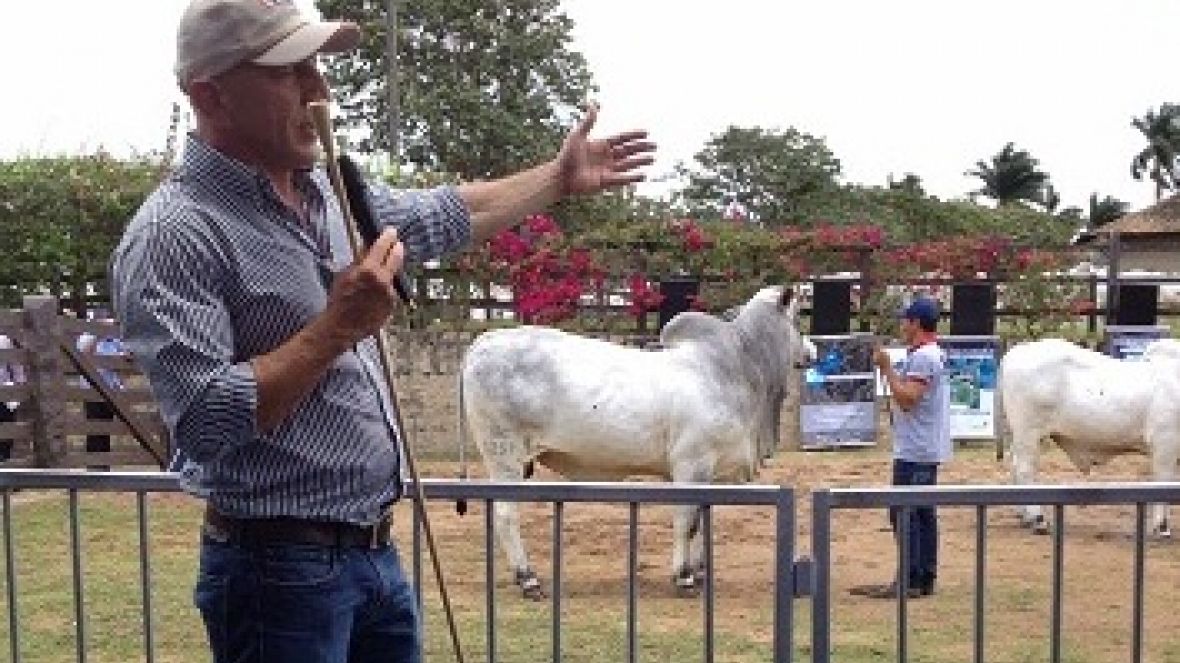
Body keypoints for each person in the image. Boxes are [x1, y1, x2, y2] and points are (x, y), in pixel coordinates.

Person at [108, 1, 655, 662]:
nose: (319, 89)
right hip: (275, 575)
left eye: (316, 64)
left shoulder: (330, 191)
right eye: (290, 71)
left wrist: (556, 179)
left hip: (374, 557)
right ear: (210, 95)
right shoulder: (175, 235)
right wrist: (336, 329)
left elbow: (439, 215)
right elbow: (202, 423)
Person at [855, 296, 951, 599]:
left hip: (916, 448)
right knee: (922, 512)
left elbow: (908, 399)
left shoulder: (924, 357)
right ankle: (923, 576)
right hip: (924, 444)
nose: (902, 326)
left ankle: (910, 578)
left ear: (916, 324)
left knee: (904, 511)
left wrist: (887, 369)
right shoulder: (930, 354)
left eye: (906, 320)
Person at [76, 319, 127, 470]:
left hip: (111, 388)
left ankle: (104, 464)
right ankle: (93, 465)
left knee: (106, 427)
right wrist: (97, 334)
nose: (111, 328)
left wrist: (125, 356)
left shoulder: (114, 340)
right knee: (94, 427)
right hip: (92, 389)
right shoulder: (87, 336)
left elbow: (125, 355)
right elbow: (84, 352)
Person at [0, 333, 24, 462]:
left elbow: (15, 365)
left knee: (6, 428)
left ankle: (4, 460)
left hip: (5, 393)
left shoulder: (3, 340)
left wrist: (18, 386)